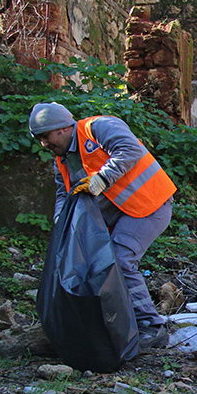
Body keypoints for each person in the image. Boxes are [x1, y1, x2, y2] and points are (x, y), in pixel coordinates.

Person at [29, 102, 176, 350]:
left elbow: (129, 149)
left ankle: (152, 328)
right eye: (40, 139)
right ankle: (123, 326)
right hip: (120, 216)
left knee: (119, 261)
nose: (44, 144)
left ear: (63, 128)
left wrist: (103, 178)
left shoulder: (99, 128)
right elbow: (64, 195)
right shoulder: (62, 162)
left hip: (150, 205)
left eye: (46, 136)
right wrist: (61, 223)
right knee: (100, 268)